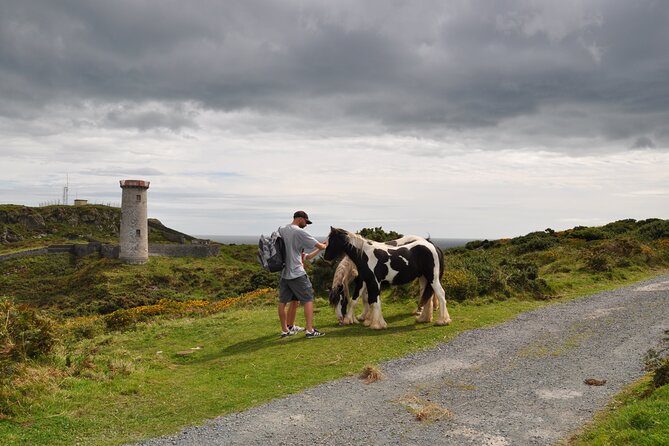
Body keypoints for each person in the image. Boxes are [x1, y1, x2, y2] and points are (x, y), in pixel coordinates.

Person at [278, 210, 327, 338]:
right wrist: (325, 244)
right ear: (300, 219)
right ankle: (310, 331)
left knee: (284, 302)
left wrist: (318, 249)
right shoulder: (299, 232)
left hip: (284, 273)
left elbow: (307, 256)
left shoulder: (282, 229)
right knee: (308, 299)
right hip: (297, 273)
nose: (306, 224)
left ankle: (286, 329)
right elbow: (321, 246)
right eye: (306, 222)